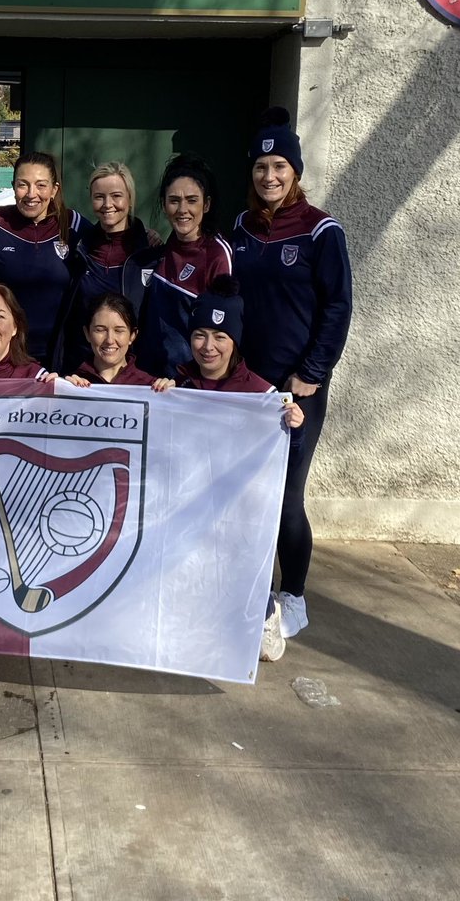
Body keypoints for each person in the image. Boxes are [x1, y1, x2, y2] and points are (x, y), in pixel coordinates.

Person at [232, 107, 352, 643]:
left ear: (295, 170)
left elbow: (337, 308)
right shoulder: (240, 227)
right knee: (246, 495)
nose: (269, 176)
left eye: (279, 165)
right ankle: (249, 594)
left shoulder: (321, 230)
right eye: (260, 167)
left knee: (285, 500)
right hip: (245, 388)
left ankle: (294, 595)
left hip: (295, 389)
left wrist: (313, 372)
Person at [175, 275, 305, 663]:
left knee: (261, 649)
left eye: (220, 336)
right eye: (199, 334)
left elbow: (285, 460)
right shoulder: (178, 383)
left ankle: (266, 607)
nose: (208, 346)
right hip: (189, 502)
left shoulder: (262, 395)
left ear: (235, 340)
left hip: (240, 514)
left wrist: (293, 430)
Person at [124, 153, 233, 378]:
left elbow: (222, 335)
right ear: (164, 205)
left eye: (192, 200)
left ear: (207, 204)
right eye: (174, 200)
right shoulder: (162, 250)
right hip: (150, 379)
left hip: (188, 386)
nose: (182, 209)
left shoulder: (217, 255)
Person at [0, 152, 89, 368]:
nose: (31, 194)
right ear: (13, 186)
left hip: (59, 356)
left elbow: (111, 242)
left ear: (54, 189)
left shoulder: (73, 225)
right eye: (23, 185)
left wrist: (144, 236)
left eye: (41, 185)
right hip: (4, 355)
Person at [59, 162, 159, 370]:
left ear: (130, 199)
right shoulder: (79, 249)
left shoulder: (150, 252)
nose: (107, 204)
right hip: (83, 370)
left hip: (133, 371)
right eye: (99, 197)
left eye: (116, 196)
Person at [63, 293, 174, 390]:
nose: (109, 340)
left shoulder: (151, 386)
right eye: (100, 330)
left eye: (119, 331)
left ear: (132, 335)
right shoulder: (70, 384)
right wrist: (53, 388)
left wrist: (172, 396)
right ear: (87, 333)